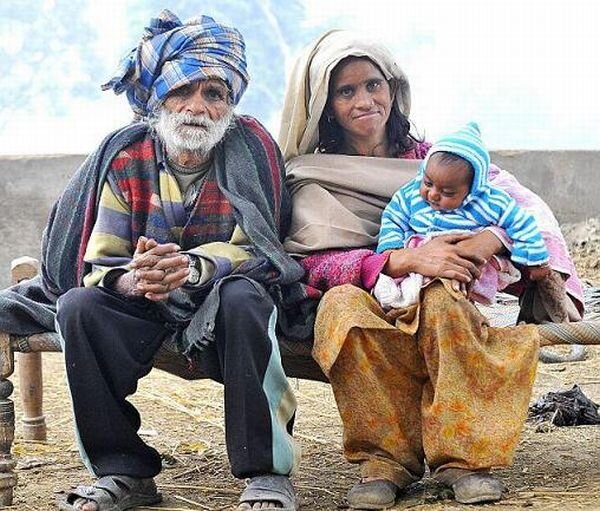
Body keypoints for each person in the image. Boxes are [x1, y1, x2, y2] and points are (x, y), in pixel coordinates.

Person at [0, 10, 303, 511]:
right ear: (158, 101)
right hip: (145, 301)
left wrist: (193, 266)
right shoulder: (127, 157)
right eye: (181, 92)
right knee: (79, 307)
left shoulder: (252, 149)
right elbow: (102, 259)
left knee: (246, 296)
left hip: (222, 300)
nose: (196, 107)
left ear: (231, 104)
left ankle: (267, 475)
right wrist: (133, 280)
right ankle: (123, 471)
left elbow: (260, 247)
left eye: (213, 94)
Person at [278, 30, 585, 509]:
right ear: (324, 105)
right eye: (346, 91)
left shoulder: (437, 160)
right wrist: (403, 259)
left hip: (455, 292)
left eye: (374, 85)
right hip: (375, 291)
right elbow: (308, 263)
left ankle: (462, 460)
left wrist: (494, 240)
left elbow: (522, 211)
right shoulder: (310, 174)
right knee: (340, 308)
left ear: (393, 89)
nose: (365, 100)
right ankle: (384, 461)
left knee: (443, 298)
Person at [374, 121, 568, 315]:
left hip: (469, 262)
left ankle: (462, 309)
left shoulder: (488, 202)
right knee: (394, 289)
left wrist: (537, 262)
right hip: (421, 253)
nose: (433, 194)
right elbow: (393, 217)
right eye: (428, 183)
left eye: (447, 192)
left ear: (472, 190)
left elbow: (521, 223)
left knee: (455, 291)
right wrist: (392, 249)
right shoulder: (411, 195)